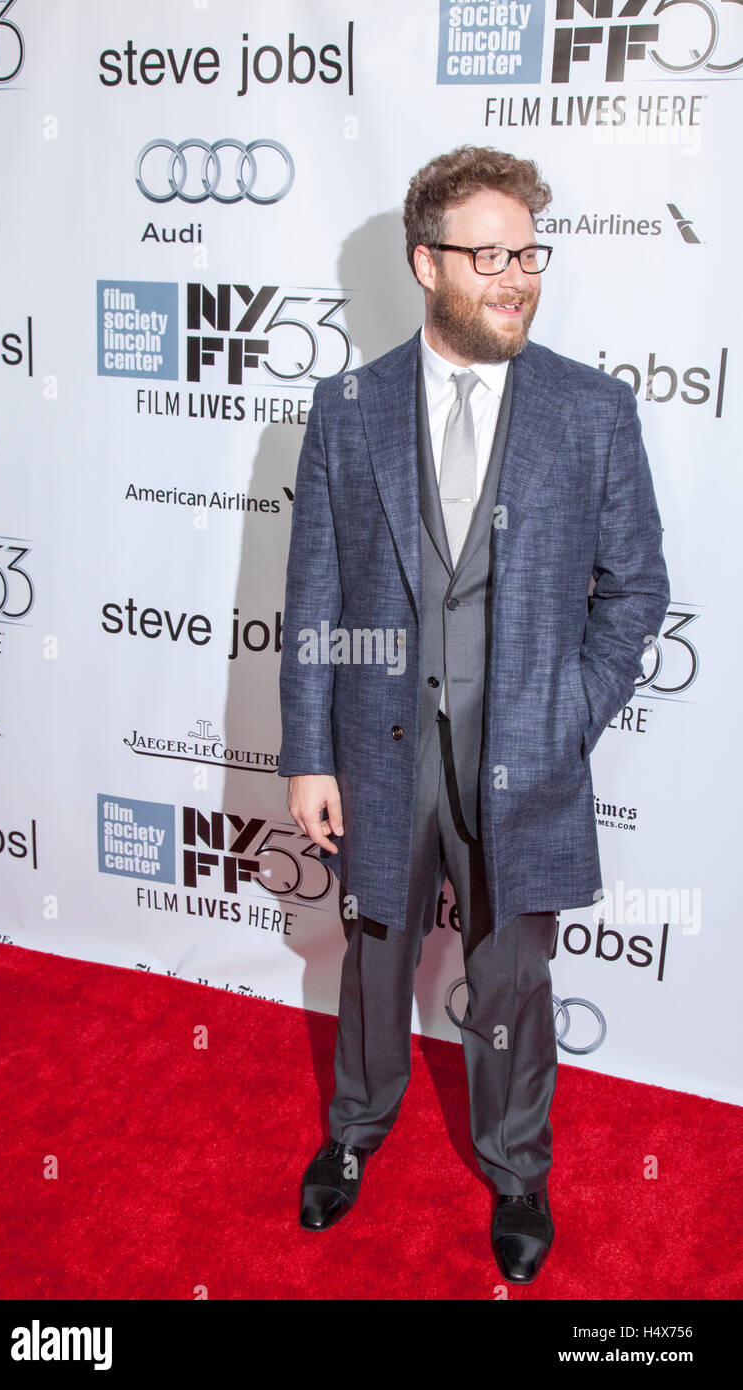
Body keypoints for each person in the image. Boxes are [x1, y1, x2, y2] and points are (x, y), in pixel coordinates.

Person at [277, 145, 670, 1284]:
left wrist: (565, 713)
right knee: (372, 961)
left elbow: (634, 588)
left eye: (527, 253)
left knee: (510, 983)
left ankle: (513, 1169)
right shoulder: (345, 410)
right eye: (488, 255)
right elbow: (311, 595)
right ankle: (351, 1137)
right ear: (424, 262)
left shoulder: (588, 411)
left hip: (523, 762)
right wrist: (309, 750)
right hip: (377, 752)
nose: (516, 277)